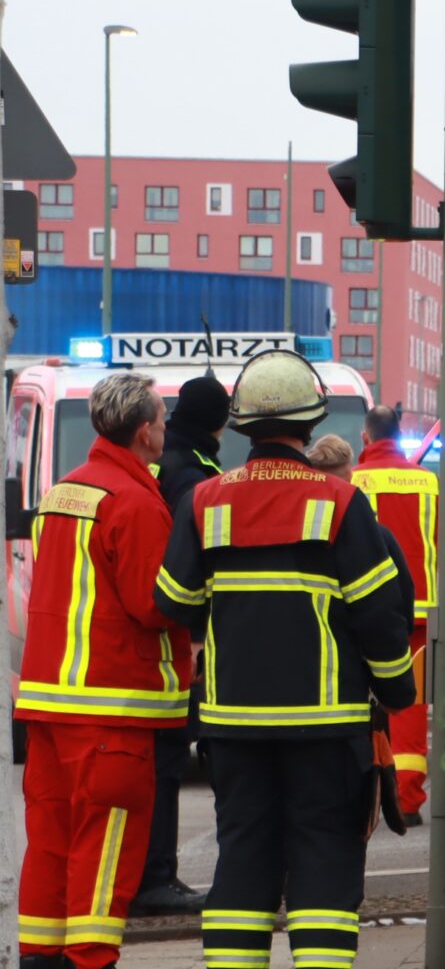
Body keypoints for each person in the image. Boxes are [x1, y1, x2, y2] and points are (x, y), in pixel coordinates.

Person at [154, 351, 417, 969]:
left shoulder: (206, 501)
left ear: (240, 424)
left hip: (233, 723)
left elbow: (174, 599)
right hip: (326, 723)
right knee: (324, 848)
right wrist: (396, 688)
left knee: (244, 848)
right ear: (310, 421)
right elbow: (378, 613)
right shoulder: (339, 502)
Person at [16, 373, 192, 969]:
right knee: (106, 843)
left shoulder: (65, 489)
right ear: (144, 429)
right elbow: (152, 602)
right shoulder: (135, 502)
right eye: (162, 417)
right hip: (110, 702)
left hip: (50, 701)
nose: (166, 426)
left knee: (51, 845)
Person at [131, 371, 230, 918]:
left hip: (163, 633)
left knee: (159, 760)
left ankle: (146, 875)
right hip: (179, 639)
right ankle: (156, 878)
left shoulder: (168, 465)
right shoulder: (190, 474)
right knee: (168, 758)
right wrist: (193, 636)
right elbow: (191, 564)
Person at [350, 407, 439, 825]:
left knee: (364, 701)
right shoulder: (428, 481)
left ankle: (367, 793)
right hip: (424, 607)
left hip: (371, 608)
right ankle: (407, 798)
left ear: (366, 438)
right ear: (400, 434)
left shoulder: (354, 483)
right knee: (413, 705)